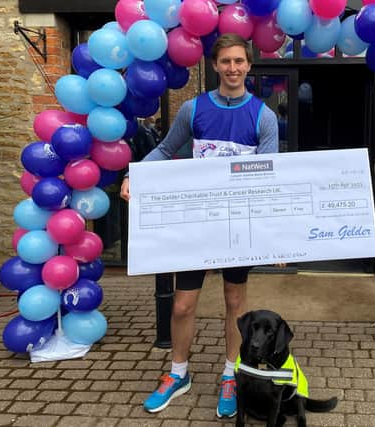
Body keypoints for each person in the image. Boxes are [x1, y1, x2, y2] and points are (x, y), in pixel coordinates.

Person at [119, 33, 279, 418]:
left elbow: (273, 179)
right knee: (182, 304)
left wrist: (277, 240)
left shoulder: (263, 115)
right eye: (226, 61)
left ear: (249, 66)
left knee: (235, 304)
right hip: (197, 224)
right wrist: (135, 175)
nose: (233, 68)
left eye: (239, 61)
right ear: (214, 64)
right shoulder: (193, 109)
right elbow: (164, 149)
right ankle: (178, 374)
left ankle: (230, 374)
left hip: (239, 226)